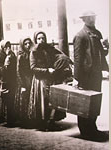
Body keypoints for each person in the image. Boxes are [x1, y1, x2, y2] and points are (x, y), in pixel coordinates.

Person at [73, 11, 109, 139]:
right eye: (89, 18)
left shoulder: (97, 34)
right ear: (84, 20)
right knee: (84, 103)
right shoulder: (80, 36)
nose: (92, 19)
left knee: (94, 102)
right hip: (85, 75)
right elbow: (77, 58)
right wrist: (76, 78)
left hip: (96, 74)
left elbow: (101, 54)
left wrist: (107, 49)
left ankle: (92, 128)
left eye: (93, 17)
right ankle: (85, 131)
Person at [28, 31, 73, 130]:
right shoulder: (33, 52)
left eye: (43, 38)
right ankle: (43, 123)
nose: (41, 40)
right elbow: (33, 68)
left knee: (52, 100)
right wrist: (47, 70)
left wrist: (66, 61)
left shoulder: (49, 49)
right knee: (43, 101)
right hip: (40, 80)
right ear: (35, 40)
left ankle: (51, 122)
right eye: (39, 38)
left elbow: (59, 55)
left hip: (50, 78)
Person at [16, 37, 33, 124]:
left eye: (29, 43)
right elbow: (18, 71)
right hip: (24, 79)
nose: (28, 45)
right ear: (22, 45)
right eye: (25, 44)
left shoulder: (32, 54)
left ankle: (30, 118)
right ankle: (24, 120)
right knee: (24, 99)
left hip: (31, 78)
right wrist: (22, 84)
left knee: (30, 98)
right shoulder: (20, 56)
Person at [0, 40, 17, 125]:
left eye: (9, 46)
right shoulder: (0, 55)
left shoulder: (12, 55)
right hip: (3, 79)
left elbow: (14, 66)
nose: (8, 48)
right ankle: (3, 117)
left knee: (11, 99)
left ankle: (11, 118)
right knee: (4, 99)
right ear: (2, 47)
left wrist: (9, 57)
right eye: (5, 46)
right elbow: (2, 69)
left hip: (11, 79)